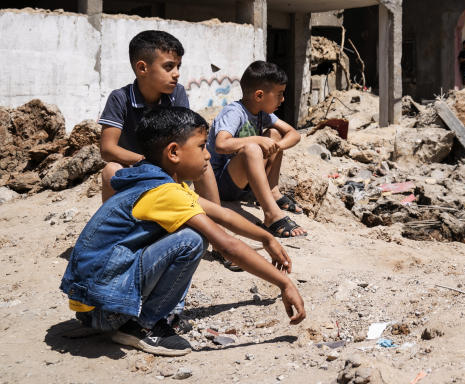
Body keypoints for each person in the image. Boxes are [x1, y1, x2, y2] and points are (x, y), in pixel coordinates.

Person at [61, 107, 305, 357]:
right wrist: (283, 283)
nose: (208, 156)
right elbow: (227, 245)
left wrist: (266, 238)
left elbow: (222, 215)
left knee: (184, 229)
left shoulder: (154, 179)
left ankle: (117, 317)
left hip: (91, 303)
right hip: (103, 304)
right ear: (174, 152)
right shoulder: (166, 193)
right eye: (201, 147)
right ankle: (144, 326)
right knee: (192, 240)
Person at [98, 30, 219, 205]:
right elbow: (108, 149)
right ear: (142, 68)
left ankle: (215, 221)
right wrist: (146, 162)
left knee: (202, 161)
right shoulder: (120, 98)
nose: (176, 73)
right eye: (169, 67)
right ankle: (113, 228)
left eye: (178, 66)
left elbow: (188, 139)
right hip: (137, 169)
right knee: (111, 170)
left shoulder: (177, 94)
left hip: (171, 166)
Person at [207, 61, 306, 238]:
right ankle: (271, 215)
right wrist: (256, 140)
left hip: (241, 182)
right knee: (252, 148)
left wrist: (275, 146)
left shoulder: (262, 113)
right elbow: (221, 145)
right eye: (279, 94)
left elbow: (293, 134)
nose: (283, 100)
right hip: (221, 184)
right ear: (259, 95)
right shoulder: (234, 112)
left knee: (275, 134)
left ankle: (273, 192)